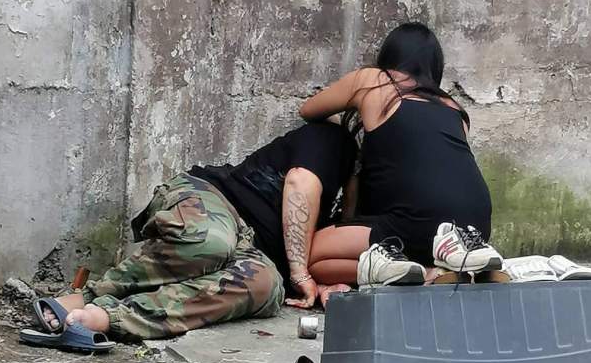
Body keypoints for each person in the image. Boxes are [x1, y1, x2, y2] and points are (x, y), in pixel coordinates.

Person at [40, 122, 357, 340]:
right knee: (212, 242)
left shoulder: (380, 202)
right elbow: (300, 182)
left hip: (256, 253)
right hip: (216, 197)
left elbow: (335, 248)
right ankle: (89, 295)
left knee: (265, 285)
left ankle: (115, 317)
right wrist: (301, 273)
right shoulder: (334, 139)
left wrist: (328, 283)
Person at [301, 22, 501, 288]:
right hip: (475, 229)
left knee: (313, 256)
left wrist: (350, 131)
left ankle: (425, 273)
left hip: (415, 223)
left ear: (389, 56)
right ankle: (433, 266)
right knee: (405, 237)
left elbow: (309, 110)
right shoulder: (455, 110)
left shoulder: (372, 82)